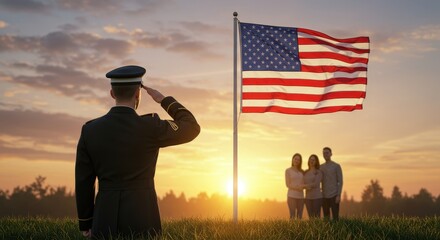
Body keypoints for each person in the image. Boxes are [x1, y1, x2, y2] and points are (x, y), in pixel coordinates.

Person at [75, 65, 200, 239]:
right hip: (143, 216)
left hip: (104, 217)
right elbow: (191, 127)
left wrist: (86, 222)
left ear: (112, 93)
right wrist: (164, 100)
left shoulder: (90, 130)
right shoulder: (151, 126)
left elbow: (83, 182)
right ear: (137, 93)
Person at [320, 147, 343, 220]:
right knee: (326, 218)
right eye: (324, 153)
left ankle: (337, 231)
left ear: (331, 154)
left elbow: (340, 181)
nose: (325, 154)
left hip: (334, 195)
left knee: (335, 218)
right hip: (324, 196)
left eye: (327, 153)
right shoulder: (320, 167)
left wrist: (338, 195)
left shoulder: (336, 166)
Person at [285, 153, 305, 219]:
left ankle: (299, 229)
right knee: (292, 215)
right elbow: (287, 184)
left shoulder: (302, 171)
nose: (296, 161)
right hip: (291, 196)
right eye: (295, 159)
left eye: (298, 160)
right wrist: (297, 188)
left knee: (300, 216)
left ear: (300, 162)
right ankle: (291, 229)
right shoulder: (288, 170)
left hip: (301, 197)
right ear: (293, 160)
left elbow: (305, 183)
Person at [303, 154, 323, 218]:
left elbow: (316, 184)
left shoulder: (319, 172)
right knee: (310, 217)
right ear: (308, 161)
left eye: (313, 160)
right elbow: (302, 183)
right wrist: (305, 186)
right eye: (310, 159)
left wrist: (305, 186)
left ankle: (318, 228)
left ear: (316, 162)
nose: (312, 161)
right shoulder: (305, 172)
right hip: (308, 198)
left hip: (317, 197)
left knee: (317, 217)